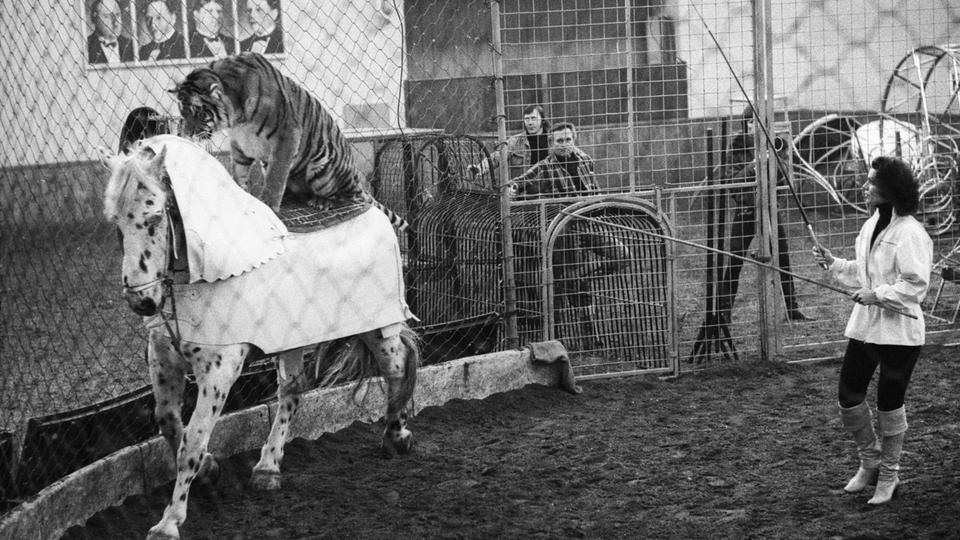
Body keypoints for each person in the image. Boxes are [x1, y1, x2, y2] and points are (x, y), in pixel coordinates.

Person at [812, 155, 933, 505]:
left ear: (889, 189)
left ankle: (890, 474)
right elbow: (864, 273)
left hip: (900, 331)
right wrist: (834, 264)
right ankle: (870, 460)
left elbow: (915, 286)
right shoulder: (870, 225)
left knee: (889, 402)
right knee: (848, 395)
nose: (864, 187)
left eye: (871, 183)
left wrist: (877, 295)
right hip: (866, 326)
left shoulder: (910, 233)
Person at [509, 122, 631, 349]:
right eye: (559, 141)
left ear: (574, 139)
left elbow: (594, 189)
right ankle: (572, 340)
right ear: (550, 144)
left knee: (622, 255)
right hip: (565, 231)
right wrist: (512, 190)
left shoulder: (584, 159)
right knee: (570, 289)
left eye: (568, 140)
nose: (565, 145)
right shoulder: (545, 167)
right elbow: (519, 182)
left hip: (592, 224)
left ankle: (578, 277)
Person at [716, 132, 812, 321]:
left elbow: (785, 177)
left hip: (770, 211)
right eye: (751, 121)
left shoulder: (776, 143)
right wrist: (756, 163)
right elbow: (732, 183)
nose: (756, 125)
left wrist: (773, 159)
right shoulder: (738, 147)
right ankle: (723, 312)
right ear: (746, 124)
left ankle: (792, 308)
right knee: (734, 260)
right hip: (746, 211)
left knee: (782, 257)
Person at [469, 104, 550, 182]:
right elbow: (497, 157)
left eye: (533, 118)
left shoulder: (553, 138)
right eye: (527, 119)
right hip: (523, 189)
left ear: (542, 120)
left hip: (550, 188)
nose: (530, 122)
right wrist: (480, 168)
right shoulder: (515, 140)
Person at [88, 0, 135, 65]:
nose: (115, 23)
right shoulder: (86, 47)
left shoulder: (131, 45)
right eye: (107, 16)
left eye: (117, 15)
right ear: (95, 19)